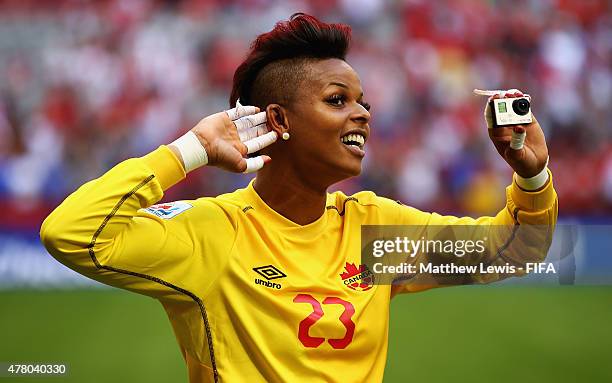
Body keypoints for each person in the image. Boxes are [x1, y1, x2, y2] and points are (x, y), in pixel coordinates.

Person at [40, 13, 557, 383]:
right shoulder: (213, 234)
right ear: (279, 121)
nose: (363, 114)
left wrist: (532, 179)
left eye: (363, 101)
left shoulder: (374, 232)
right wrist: (188, 151)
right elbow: (70, 234)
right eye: (338, 100)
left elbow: (519, 249)